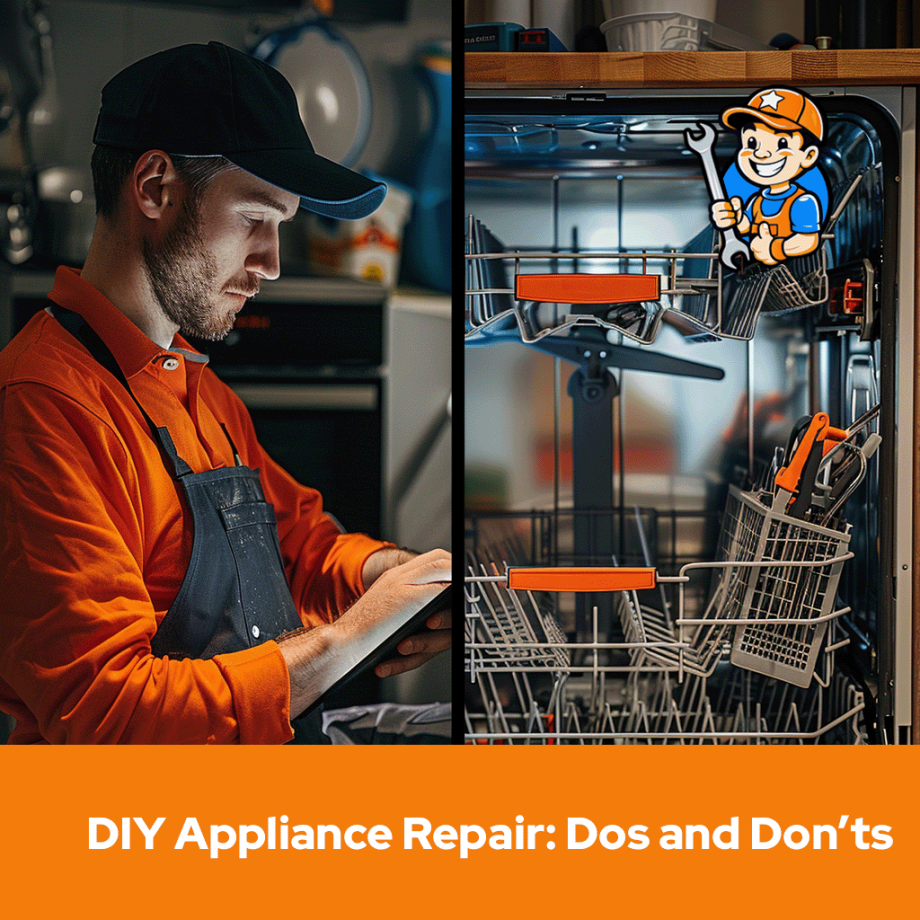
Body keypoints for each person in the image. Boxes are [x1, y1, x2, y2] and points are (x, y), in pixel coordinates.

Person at [0, 42, 451, 744]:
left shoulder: (195, 389)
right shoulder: (42, 408)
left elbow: (296, 543)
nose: (271, 263)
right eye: (255, 219)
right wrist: (354, 632)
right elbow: (107, 713)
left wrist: (384, 575)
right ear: (153, 187)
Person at [711, 87, 826, 266]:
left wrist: (775, 249)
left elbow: (808, 241)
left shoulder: (803, 202)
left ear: (808, 156)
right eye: (752, 142)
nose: (761, 153)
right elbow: (745, 228)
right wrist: (733, 218)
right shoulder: (757, 201)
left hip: (793, 276)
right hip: (765, 279)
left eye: (781, 143)